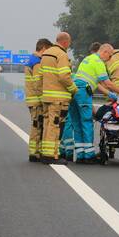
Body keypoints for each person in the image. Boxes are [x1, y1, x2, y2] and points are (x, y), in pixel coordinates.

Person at [67, 43, 119, 164]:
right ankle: (88, 155)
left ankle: (80, 155)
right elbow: (107, 82)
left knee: (77, 123)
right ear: (104, 52)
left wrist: (110, 94)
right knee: (87, 121)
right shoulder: (98, 62)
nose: (108, 60)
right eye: (109, 56)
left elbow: (99, 83)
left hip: (73, 91)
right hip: (83, 92)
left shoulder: (88, 59)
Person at [39, 32, 76, 163]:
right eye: (69, 43)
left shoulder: (46, 54)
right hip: (58, 98)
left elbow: (40, 76)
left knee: (47, 124)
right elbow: (64, 76)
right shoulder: (61, 54)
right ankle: (51, 155)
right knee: (55, 126)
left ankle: (45, 152)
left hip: (47, 97)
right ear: (65, 42)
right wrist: (74, 89)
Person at [24, 38, 51, 162]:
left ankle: (35, 151)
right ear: (44, 48)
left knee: (37, 125)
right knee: (37, 125)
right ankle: (34, 153)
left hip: (32, 99)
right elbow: (38, 83)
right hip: (37, 100)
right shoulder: (37, 62)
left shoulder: (31, 59)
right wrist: (44, 99)